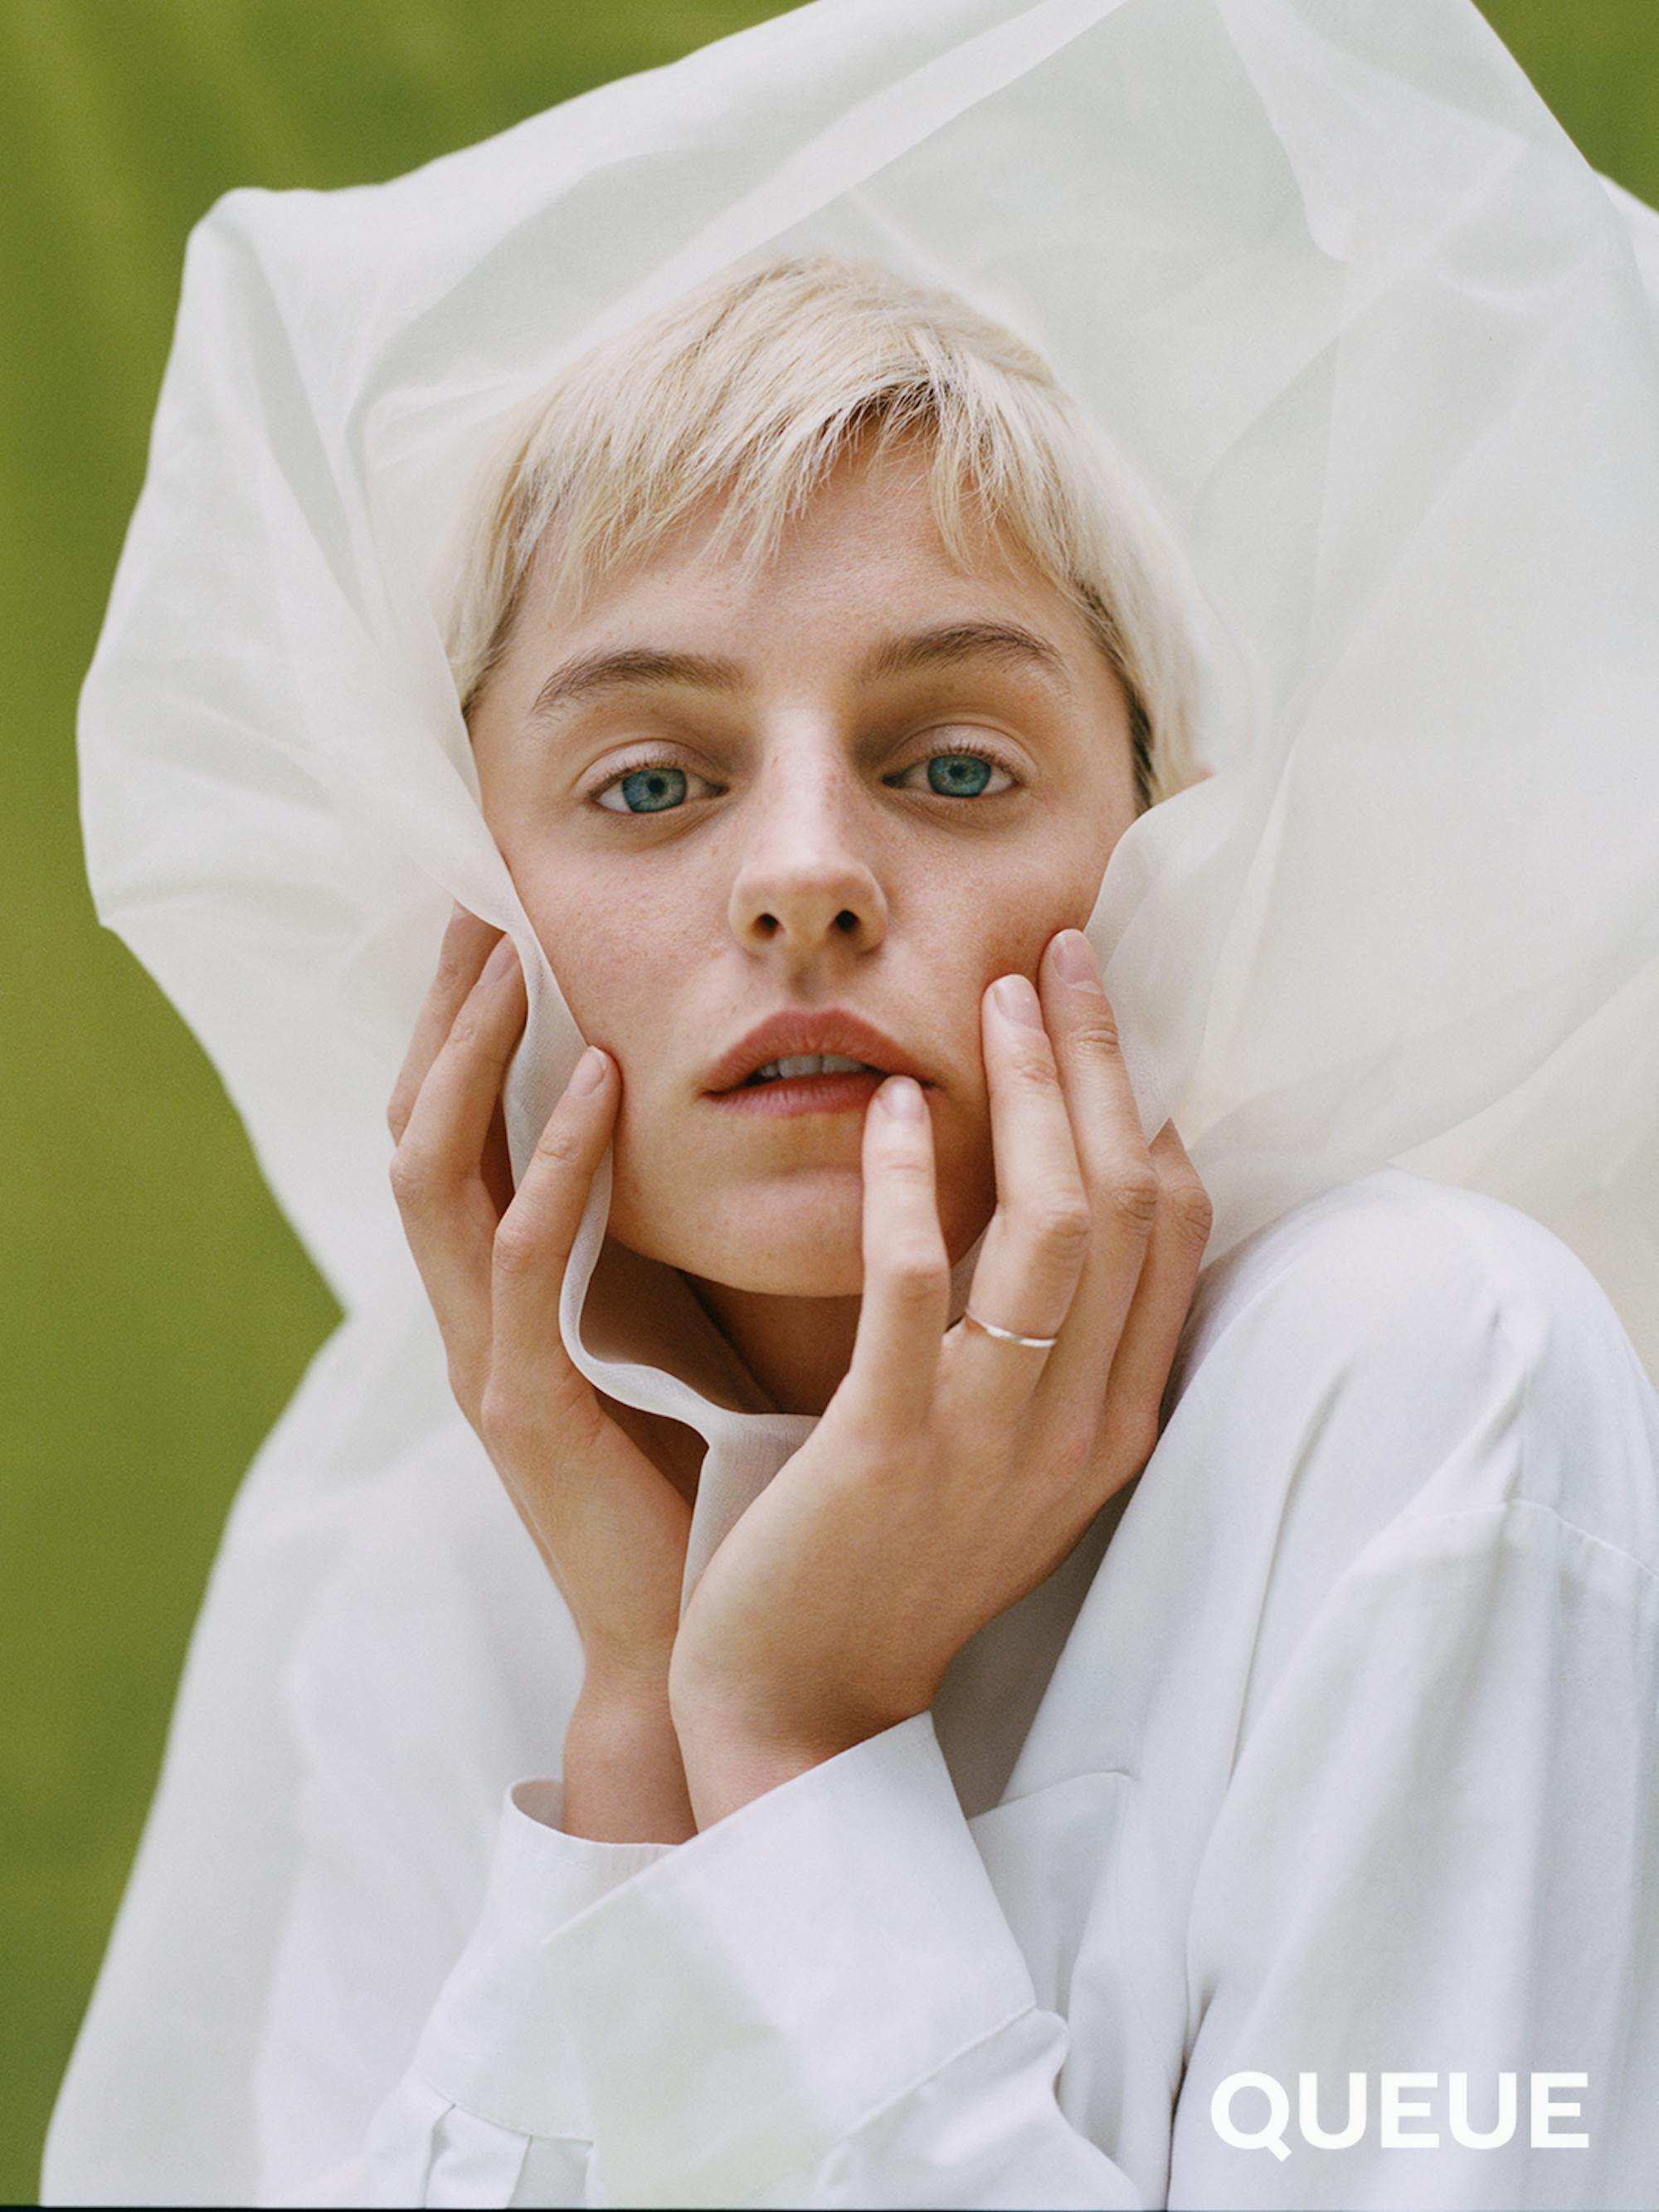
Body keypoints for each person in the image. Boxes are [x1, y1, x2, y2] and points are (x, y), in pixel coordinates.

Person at [41, 6, 1659, 2207]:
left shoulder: (1418, 1386)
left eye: (954, 763)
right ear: (478, 915)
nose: (804, 870)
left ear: (1153, 863)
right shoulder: (419, 1547)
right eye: (649, 781)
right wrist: (637, 1723)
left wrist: (794, 1740)